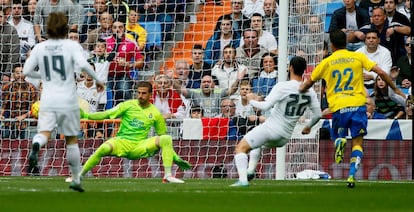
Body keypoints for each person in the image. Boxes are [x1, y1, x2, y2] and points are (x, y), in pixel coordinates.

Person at [299, 30, 405, 188]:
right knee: (357, 144)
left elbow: (309, 83)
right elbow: (381, 72)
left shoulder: (327, 62)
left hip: (339, 106)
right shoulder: (358, 56)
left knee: (338, 136)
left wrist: (298, 90)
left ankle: (339, 141)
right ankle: (351, 175)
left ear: (332, 45)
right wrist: (395, 89)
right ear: (346, 43)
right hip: (358, 105)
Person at [23, 12, 105, 192]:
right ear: (66, 28)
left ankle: (36, 143)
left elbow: (26, 71)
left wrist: (43, 75)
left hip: (48, 98)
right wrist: (97, 79)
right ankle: (76, 179)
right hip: (68, 98)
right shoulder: (71, 45)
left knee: (44, 133)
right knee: (71, 140)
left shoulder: (40, 47)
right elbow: (83, 65)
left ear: (47, 27)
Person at [231, 56, 322, 187]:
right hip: (284, 137)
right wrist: (308, 126)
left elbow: (265, 106)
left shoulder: (283, 86)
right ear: (304, 71)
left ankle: (243, 180)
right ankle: (250, 170)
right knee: (257, 145)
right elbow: (318, 114)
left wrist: (250, 99)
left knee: (241, 148)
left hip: (271, 129)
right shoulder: (310, 92)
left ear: (290, 68)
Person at [79, 81, 191, 183]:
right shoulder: (128, 105)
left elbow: (164, 140)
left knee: (166, 138)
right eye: (138, 93)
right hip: (122, 142)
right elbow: (106, 114)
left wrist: (175, 158)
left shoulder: (155, 113)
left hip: (140, 146)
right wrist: (87, 115)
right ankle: (80, 175)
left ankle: (167, 175)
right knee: (103, 148)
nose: (140, 96)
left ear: (150, 94)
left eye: (144, 93)